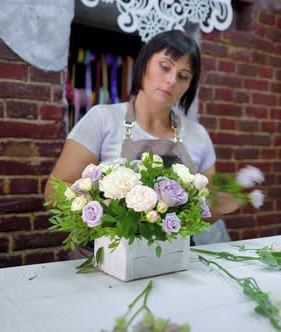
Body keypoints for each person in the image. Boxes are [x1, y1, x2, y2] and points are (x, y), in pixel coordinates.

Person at [45, 30, 237, 246]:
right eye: (164, 67)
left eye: (183, 76)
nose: (172, 80)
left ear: (189, 87)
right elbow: (55, 190)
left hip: (176, 258)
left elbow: (205, 210)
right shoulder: (102, 119)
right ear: (144, 63)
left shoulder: (198, 136)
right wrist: (111, 212)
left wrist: (222, 203)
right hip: (110, 257)